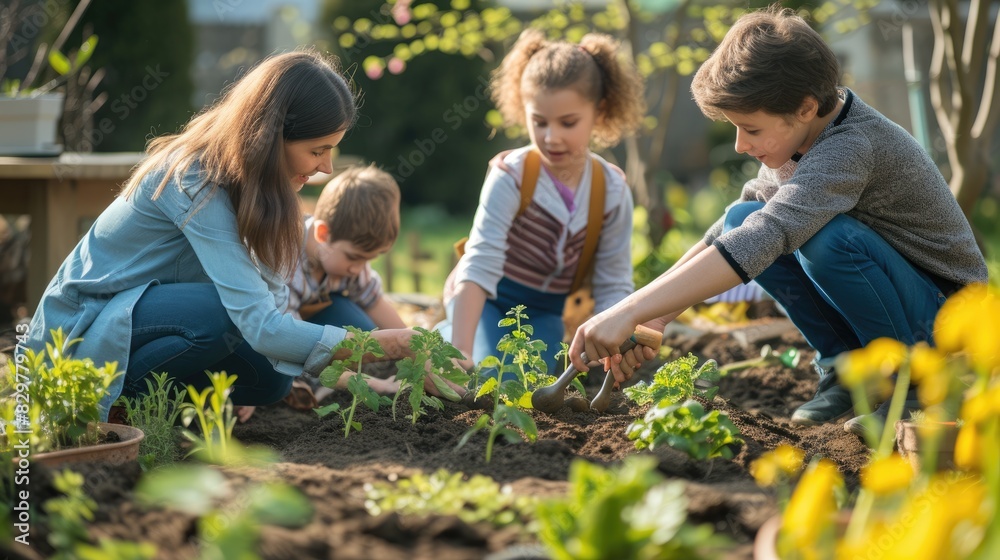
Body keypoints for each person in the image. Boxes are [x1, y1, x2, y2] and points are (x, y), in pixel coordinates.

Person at [568, 6, 988, 437]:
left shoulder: (851, 145)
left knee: (826, 240)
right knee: (742, 216)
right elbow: (735, 231)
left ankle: (914, 387)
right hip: (909, 298)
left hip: (953, 321)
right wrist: (653, 317)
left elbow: (768, 236)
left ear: (805, 107)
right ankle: (845, 368)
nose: (738, 144)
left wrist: (628, 309)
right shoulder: (802, 136)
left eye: (749, 128)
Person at [25, 51, 418, 424]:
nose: (327, 168)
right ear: (271, 137)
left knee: (273, 377)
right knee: (223, 316)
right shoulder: (194, 181)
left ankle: (168, 408)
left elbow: (276, 308)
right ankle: (112, 408)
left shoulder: (264, 191)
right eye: (318, 150)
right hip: (80, 337)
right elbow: (261, 324)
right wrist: (391, 345)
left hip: (141, 320)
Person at [441, 28, 646, 376]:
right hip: (485, 300)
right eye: (539, 122)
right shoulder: (512, 176)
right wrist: (460, 349)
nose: (552, 137)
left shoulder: (611, 190)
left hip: (545, 312)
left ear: (600, 111)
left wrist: (615, 345)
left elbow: (613, 283)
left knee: (529, 378)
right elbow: (480, 264)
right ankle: (447, 338)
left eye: (568, 123)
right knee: (490, 374)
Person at [284, 164, 404, 404]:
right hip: (280, 327)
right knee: (284, 370)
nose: (357, 269)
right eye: (354, 257)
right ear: (323, 234)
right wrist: (373, 385)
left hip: (310, 317)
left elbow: (375, 302)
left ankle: (328, 383)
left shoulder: (348, 263)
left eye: (368, 259)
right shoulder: (287, 262)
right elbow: (288, 339)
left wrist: (414, 347)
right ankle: (312, 384)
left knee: (366, 333)